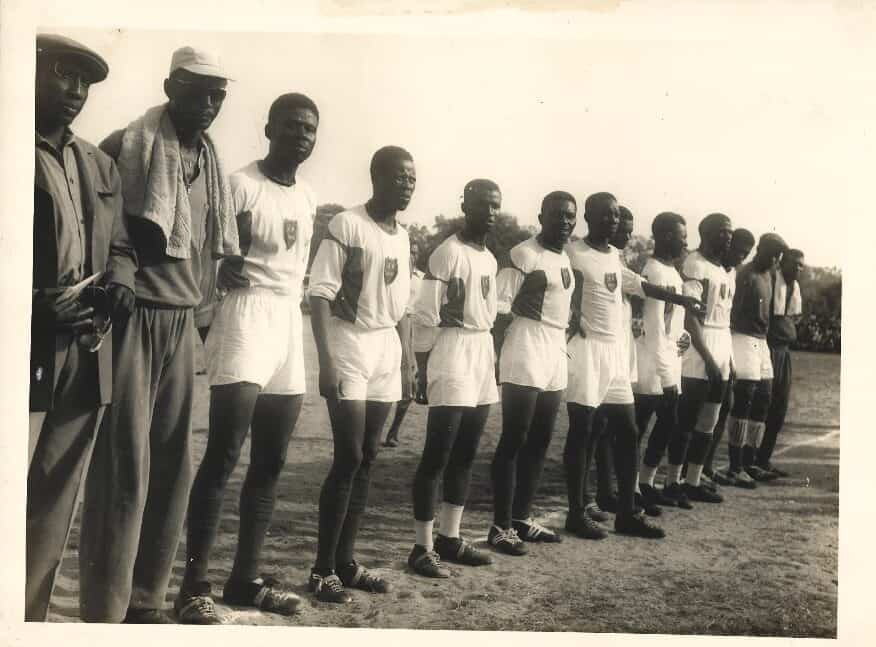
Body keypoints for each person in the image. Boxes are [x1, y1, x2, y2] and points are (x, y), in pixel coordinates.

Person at [79, 46, 238, 623]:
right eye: (199, 91)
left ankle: (147, 597)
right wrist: (114, 278)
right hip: (134, 314)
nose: (210, 104)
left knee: (175, 465)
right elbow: (98, 222)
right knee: (125, 462)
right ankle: (107, 604)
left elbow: (203, 250)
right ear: (172, 86)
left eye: (219, 94)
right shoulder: (130, 143)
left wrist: (204, 314)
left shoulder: (209, 159)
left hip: (180, 319)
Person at [173, 93, 320, 623]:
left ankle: (245, 576)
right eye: (291, 126)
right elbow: (203, 250)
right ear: (268, 127)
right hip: (243, 316)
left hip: (286, 322)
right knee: (224, 452)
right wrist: (216, 286)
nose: (301, 135)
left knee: (272, 460)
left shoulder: (307, 195)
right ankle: (193, 585)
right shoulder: (238, 184)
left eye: (310, 129)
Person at [28, 34, 135, 622]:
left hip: (84, 346)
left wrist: (119, 282)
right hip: (25, 344)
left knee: (55, 497)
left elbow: (119, 244)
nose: (76, 92)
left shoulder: (97, 161)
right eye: (64, 75)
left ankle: (27, 621)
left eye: (86, 83)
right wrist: (27, 306)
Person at [307, 146, 415, 603]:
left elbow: (405, 306)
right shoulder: (346, 225)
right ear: (376, 177)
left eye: (413, 178)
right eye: (399, 177)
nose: (408, 185)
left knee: (369, 456)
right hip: (350, 343)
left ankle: (346, 562)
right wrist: (327, 360)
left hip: (386, 347)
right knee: (348, 456)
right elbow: (319, 294)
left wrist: (408, 360)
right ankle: (321, 569)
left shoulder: (405, 235)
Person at [563, 192, 704, 540]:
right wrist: (570, 314)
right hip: (586, 350)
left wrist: (680, 298)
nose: (613, 220)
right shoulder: (573, 253)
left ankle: (627, 512)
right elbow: (561, 289)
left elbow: (638, 285)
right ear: (589, 216)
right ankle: (576, 513)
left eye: (616, 215)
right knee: (582, 431)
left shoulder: (613, 255)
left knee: (626, 432)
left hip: (615, 353)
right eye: (606, 215)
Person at [407, 179, 501, 577]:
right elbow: (425, 314)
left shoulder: (491, 258)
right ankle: (421, 547)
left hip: (480, 351)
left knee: (465, 452)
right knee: (437, 455)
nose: (490, 212)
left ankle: (450, 537)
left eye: (495, 206)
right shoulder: (446, 253)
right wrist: (424, 367)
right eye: (482, 204)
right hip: (451, 348)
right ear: (464, 205)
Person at [487, 191, 577, 555]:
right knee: (515, 436)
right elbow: (499, 309)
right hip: (526, 341)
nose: (565, 222)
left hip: (555, 346)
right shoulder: (523, 254)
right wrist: (495, 356)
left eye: (571, 216)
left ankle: (522, 518)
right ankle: (500, 524)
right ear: (541, 216)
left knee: (541, 437)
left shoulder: (565, 256)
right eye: (558, 216)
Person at [662, 213, 735, 509]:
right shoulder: (695, 264)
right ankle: (672, 482)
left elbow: (724, 318)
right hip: (698, 347)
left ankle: (692, 481)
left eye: (730, 232)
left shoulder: (723, 269)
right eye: (722, 232)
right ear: (706, 233)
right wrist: (707, 358)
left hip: (722, 342)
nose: (728, 237)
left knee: (710, 419)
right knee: (687, 420)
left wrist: (728, 359)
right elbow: (691, 317)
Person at [719, 233, 788, 486]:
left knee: (764, 398)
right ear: (760, 251)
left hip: (762, 341)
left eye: (778, 257)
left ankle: (750, 462)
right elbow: (731, 310)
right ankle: (735, 466)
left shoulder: (769, 274)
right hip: (742, 337)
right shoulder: (744, 274)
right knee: (744, 399)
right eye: (772, 255)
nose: (775, 261)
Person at [634, 213, 690, 510]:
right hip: (650, 358)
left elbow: (672, 322)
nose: (686, 241)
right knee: (641, 424)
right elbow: (653, 327)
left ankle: (646, 482)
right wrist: (666, 375)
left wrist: (685, 337)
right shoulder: (653, 271)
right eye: (682, 235)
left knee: (668, 422)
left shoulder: (673, 272)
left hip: (670, 355)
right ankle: (632, 487)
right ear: (667, 236)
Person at [703, 228, 755, 483]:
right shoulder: (705, 269)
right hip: (704, 344)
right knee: (699, 412)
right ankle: (691, 467)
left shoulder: (731, 273)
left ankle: (706, 464)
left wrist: (731, 358)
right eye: (738, 252)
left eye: (746, 254)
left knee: (726, 406)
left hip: (724, 344)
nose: (741, 258)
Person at [756, 248, 805, 476]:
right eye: (794, 264)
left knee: (779, 406)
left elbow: (792, 317)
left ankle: (763, 458)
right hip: (768, 347)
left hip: (783, 351)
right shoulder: (771, 279)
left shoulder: (794, 287)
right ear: (783, 263)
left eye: (801, 265)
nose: (798, 268)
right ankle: (749, 459)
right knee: (761, 404)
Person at [384, 241, 424, 447]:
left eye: (416, 253)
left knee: (408, 384)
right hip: (388, 325)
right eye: (409, 252)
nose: (412, 256)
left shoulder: (421, 279)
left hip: (409, 329)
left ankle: (393, 431)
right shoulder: (390, 272)